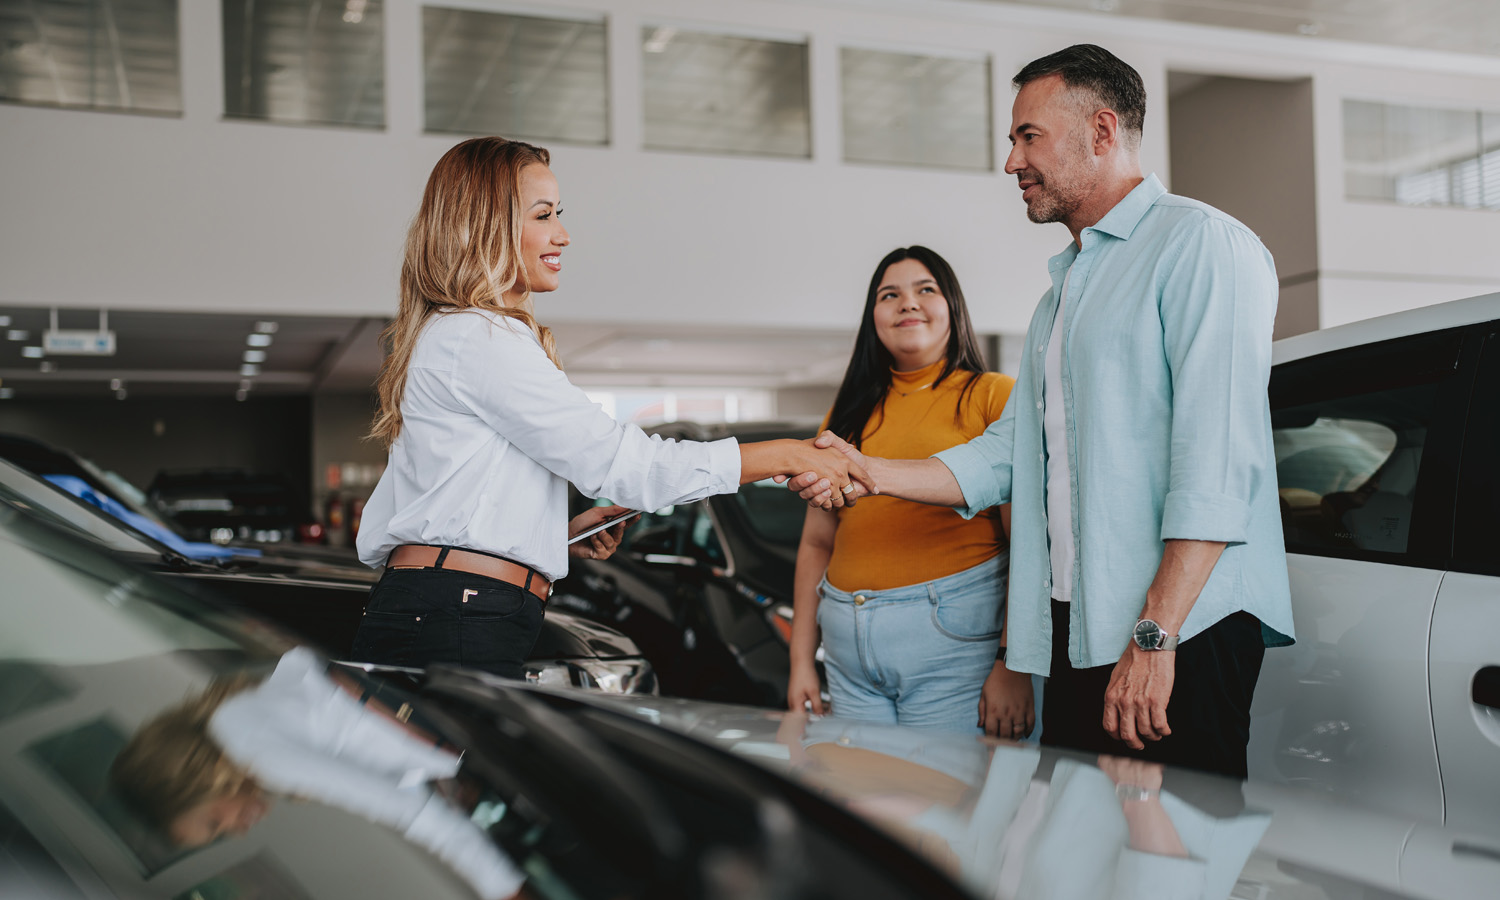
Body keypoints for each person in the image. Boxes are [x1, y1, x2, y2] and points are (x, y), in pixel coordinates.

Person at [793, 45, 1294, 779]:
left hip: (1176, 629)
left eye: (1028, 137)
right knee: (1079, 853)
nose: (1011, 162)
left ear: (1100, 130)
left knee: (1171, 866)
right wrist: (871, 471)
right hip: (1077, 628)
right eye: (1012, 140)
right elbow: (1010, 457)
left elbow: (1216, 465)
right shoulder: (1060, 297)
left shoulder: (1200, 245)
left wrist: (1155, 639)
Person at [350, 137, 872, 678]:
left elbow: (452, 498)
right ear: (486, 226)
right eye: (544, 215)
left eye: (560, 214)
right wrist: (788, 455)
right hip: (455, 613)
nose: (563, 234)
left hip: (452, 606)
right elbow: (627, 467)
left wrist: (553, 535)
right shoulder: (479, 338)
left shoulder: (458, 336)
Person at [786, 247, 1037, 738]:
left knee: (943, 809)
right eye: (889, 295)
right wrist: (800, 662)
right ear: (872, 316)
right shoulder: (848, 411)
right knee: (866, 808)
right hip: (846, 646)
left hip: (952, 646)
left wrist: (1013, 664)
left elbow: (1025, 541)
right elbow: (817, 542)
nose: (908, 304)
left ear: (953, 307)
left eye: (926, 289)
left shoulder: (994, 395)